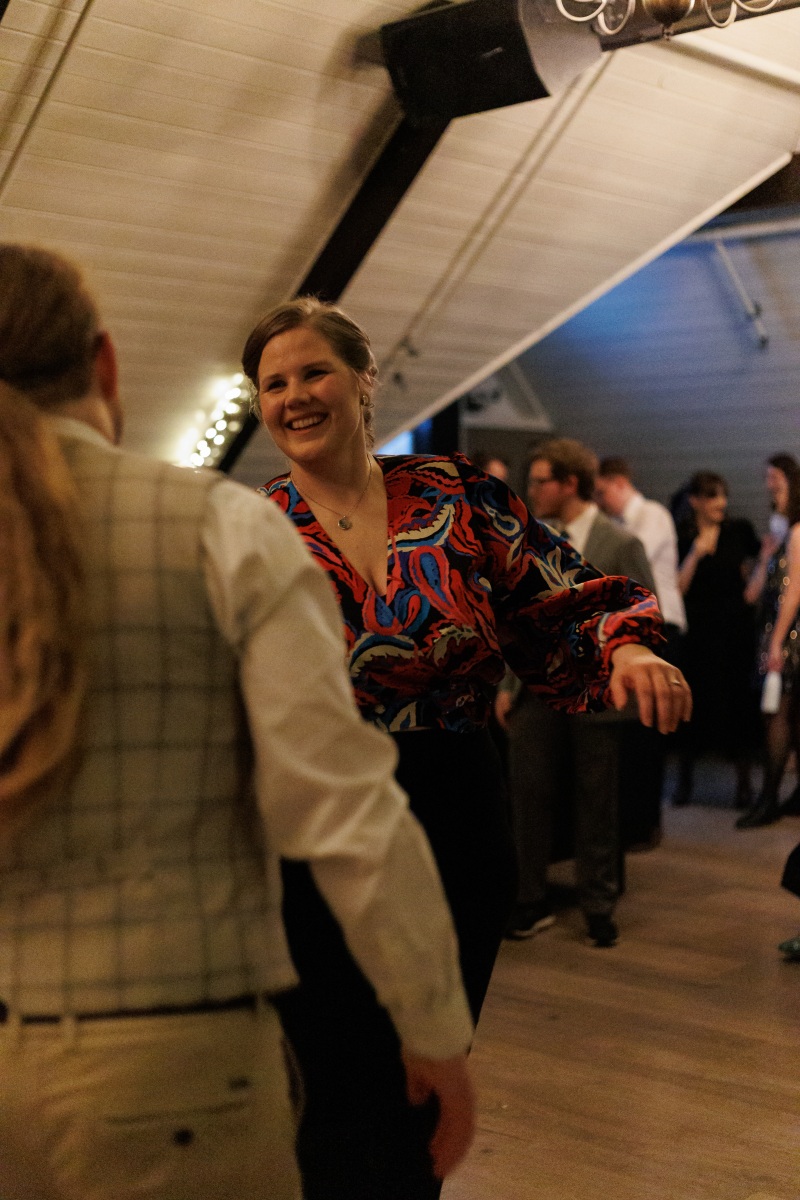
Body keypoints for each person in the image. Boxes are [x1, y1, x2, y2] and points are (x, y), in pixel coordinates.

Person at [0, 245, 476, 1200]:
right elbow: (340, 812)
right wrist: (434, 1026)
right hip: (174, 1063)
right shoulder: (223, 526)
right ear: (105, 365)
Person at [242, 303, 691, 1199]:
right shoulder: (246, 527)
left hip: (455, 803)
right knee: (332, 1077)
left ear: (364, 379)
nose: (294, 396)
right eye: (273, 383)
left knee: (428, 1073)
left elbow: (562, 595)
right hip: (315, 824)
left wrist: (628, 649)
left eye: (313, 371)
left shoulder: (454, 495)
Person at [499, 438, 658, 947]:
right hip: (536, 690)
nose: (530, 490)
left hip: (597, 693)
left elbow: (642, 616)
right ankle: (530, 900)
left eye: (539, 481)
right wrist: (507, 685)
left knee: (597, 801)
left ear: (570, 483)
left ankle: (598, 905)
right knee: (528, 797)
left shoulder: (620, 543)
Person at [596, 456, 687, 848]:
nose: (600, 500)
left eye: (602, 491)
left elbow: (629, 565)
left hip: (662, 629)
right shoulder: (618, 524)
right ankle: (633, 820)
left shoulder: (652, 515)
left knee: (650, 726)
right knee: (634, 730)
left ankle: (647, 823)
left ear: (619, 483)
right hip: (636, 630)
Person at [676, 471, 761, 810]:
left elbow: (751, 574)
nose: (721, 503)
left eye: (723, 495)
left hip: (735, 628)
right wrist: (695, 554)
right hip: (699, 631)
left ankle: (744, 784)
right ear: (695, 501)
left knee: (738, 702)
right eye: (713, 496)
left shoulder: (738, 531)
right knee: (694, 702)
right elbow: (678, 588)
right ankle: (684, 780)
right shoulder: (684, 535)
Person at [736, 454, 800, 829]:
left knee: (776, 713)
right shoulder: (780, 536)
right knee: (787, 714)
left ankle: (769, 797)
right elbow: (751, 595)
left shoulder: (798, 533)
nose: (769, 486)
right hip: (775, 629)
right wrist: (764, 557)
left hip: (788, 633)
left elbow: (794, 593)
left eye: (775, 478)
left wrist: (776, 643)